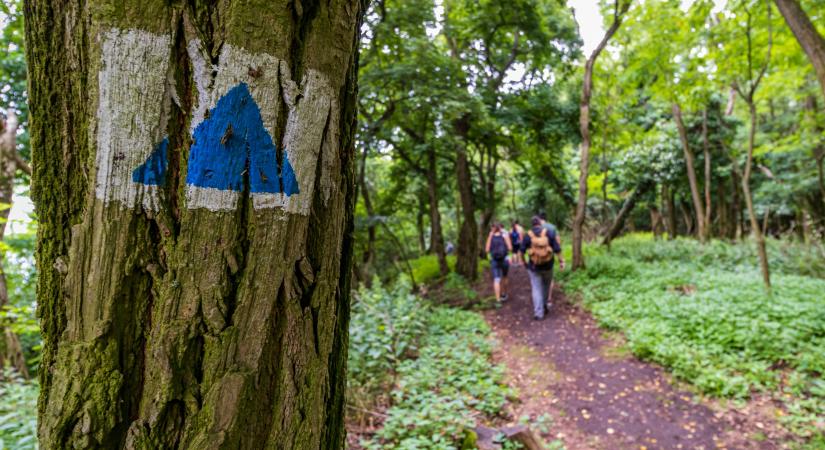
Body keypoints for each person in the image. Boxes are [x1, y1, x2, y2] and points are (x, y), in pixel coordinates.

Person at [522, 216, 564, 320]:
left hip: (534, 266)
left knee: (536, 288)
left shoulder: (528, 235)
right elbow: (557, 248)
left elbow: (521, 251)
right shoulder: (549, 232)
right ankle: (544, 305)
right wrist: (561, 261)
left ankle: (538, 313)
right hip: (548, 265)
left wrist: (524, 263)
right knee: (546, 285)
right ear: (540, 223)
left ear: (532, 224)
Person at [485, 222, 512, 302]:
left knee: (496, 279)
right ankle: (504, 293)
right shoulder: (504, 235)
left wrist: (490, 237)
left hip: (494, 260)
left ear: (492, 228)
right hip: (504, 259)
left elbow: (487, 250)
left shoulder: (491, 236)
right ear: (500, 228)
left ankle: (497, 299)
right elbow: (510, 248)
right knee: (505, 276)